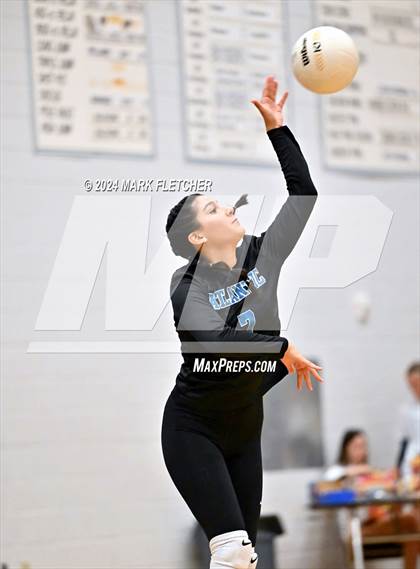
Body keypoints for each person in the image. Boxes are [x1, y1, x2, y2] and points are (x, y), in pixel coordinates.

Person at [161, 75, 323, 569]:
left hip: (245, 432)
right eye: (213, 209)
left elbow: (304, 194)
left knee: (244, 558)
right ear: (196, 237)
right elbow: (215, 341)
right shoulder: (186, 285)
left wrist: (278, 129)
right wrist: (281, 348)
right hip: (195, 430)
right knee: (232, 552)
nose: (229, 207)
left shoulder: (262, 256)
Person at [325, 429, 419, 569]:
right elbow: (331, 477)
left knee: (412, 526)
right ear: (345, 448)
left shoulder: (371, 475)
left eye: (363, 446)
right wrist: (365, 471)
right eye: (356, 446)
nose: (361, 450)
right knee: (411, 523)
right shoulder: (338, 471)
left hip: (374, 523)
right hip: (355, 531)